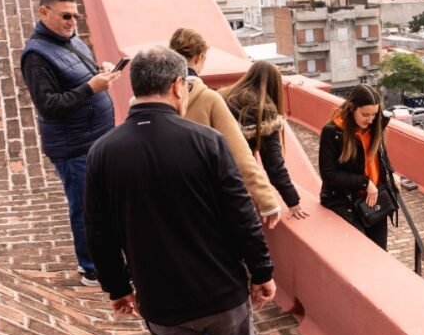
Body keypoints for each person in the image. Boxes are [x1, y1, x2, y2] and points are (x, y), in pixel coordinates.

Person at [85, 46, 284, 335]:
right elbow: (242, 217)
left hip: (164, 300)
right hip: (221, 289)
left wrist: (118, 288)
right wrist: (262, 273)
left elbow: (99, 233)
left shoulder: (104, 153)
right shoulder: (204, 141)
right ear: (178, 85)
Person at [20, 0, 119, 286]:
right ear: (44, 12)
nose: (72, 22)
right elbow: (48, 106)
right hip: (74, 146)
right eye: (65, 16)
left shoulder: (70, 40)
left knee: (103, 204)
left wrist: (100, 70)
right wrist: (91, 88)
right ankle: (91, 268)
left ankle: (108, 257)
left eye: (75, 16)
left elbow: (79, 76)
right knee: (84, 207)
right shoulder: (36, 56)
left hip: (98, 137)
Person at [168, 28, 281, 230]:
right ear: (199, 57)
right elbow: (239, 154)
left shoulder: (155, 96)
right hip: (202, 198)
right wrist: (267, 201)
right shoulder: (208, 98)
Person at [221, 61, 308, 220]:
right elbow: (274, 165)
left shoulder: (224, 96)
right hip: (236, 184)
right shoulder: (262, 110)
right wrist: (293, 202)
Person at [319, 84, 393, 249]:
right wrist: (364, 183)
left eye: (374, 114)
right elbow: (328, 174)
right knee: (362, 251)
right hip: (346, 201)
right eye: (365, 114)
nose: (370, 119)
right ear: (352, 108)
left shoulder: (375, 126)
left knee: (380, 253)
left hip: (374, 199)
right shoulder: (332, 132)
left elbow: (380, 156)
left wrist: (391, 175)